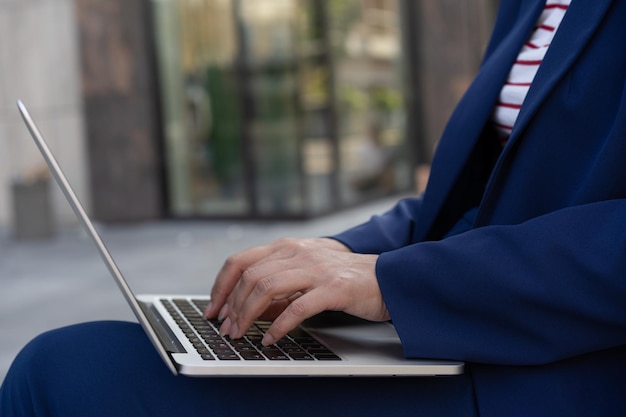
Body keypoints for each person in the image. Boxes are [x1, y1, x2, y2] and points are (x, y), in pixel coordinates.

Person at [2, 0, 626, 415]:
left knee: (61, 376)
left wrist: (389, 284)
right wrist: (336, 256)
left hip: (555, 369)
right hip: (462, 322)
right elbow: (468, 202)